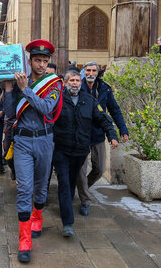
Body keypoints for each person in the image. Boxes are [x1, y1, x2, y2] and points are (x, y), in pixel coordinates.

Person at [3, 39, 63, 263]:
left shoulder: (53, 83)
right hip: (23, 142)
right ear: (29, 61)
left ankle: (38, 216)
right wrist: (9, 88)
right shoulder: (20, 80)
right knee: (24, 187)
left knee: (41, 185)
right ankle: (24, 238)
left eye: (44, 61)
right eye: (37, 60)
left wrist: (24, 89)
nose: (41, 65)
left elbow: (47, 108)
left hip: (45, 140)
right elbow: (9, 113)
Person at [53, 69, 119, 237]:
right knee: (64, 183)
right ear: (65, 83)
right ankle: (68, 223)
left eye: (77, 81)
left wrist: (112, 136)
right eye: (71, 80)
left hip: (80, 151)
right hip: (61, 150)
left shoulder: (89, 101)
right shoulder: (57, 100)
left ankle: (66, 204)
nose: (75, 83)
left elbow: (104, 119)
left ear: (80, 83)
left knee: (71, 181)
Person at [76, 61, 128, 216]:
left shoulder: (105, 88)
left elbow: (114, 110)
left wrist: (122, 129)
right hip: (82, 135)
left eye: (93, 70)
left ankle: (81, 187)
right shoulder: (78, 87)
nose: (90, 73)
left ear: (98, 73)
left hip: (98, 134)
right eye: (87, 70)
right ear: (83, 72)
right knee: (80, 170)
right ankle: (85, 200)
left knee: (99, 169)